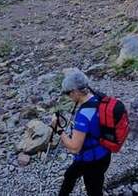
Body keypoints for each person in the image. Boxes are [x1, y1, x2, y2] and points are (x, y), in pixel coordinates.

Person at [58, 68, 111, 196]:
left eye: (68, 93)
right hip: (104, 153)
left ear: (76, 91)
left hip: (91, 161)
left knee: (93, 191)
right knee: (70, 174)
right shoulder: (99, 97)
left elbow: (75, 148)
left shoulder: (83, 115)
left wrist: (59, 130)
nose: (68, 96)